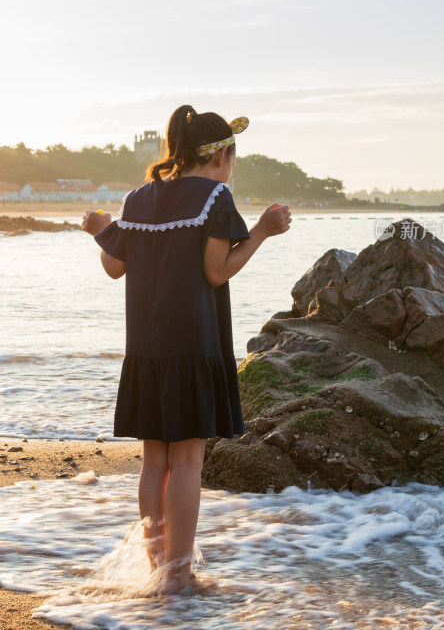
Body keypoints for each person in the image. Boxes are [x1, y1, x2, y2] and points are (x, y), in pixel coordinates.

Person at [81, 106, 291, 593]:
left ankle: (158, 570)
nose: (233, 168)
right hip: (193, 342)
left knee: (155, 463)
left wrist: (100, 231)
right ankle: (179, 577)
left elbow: (114, 268)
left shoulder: (137, 198)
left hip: (146, 347)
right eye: (233, 158)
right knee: (188, 464)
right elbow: (216, 271)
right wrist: (261, 230)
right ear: (221, 154)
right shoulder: (215, 195)